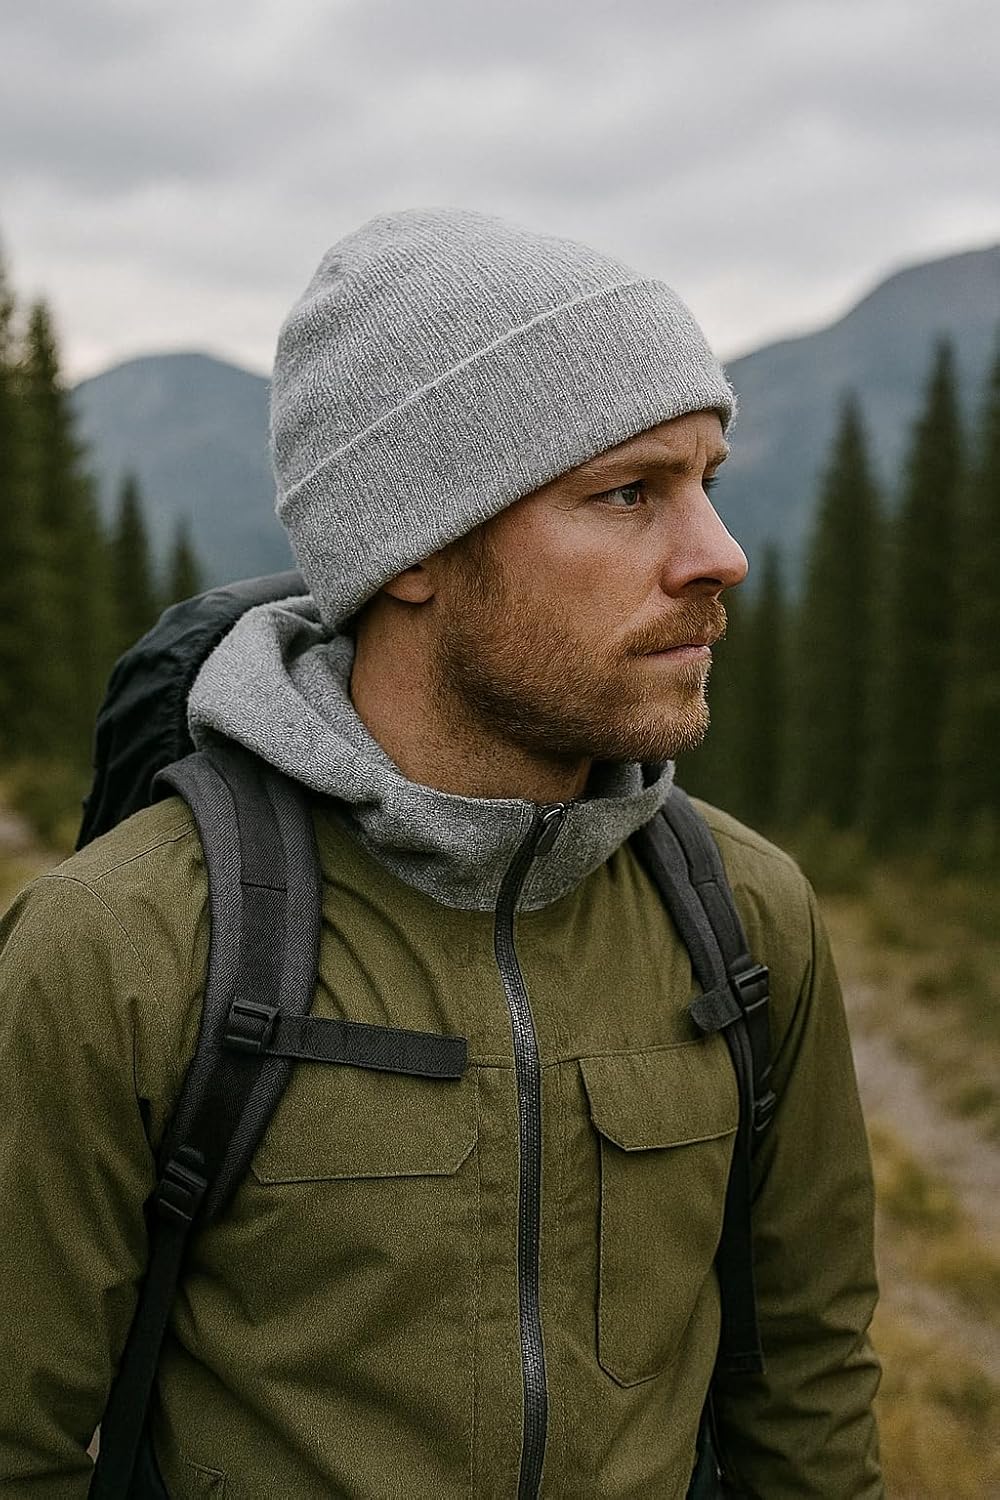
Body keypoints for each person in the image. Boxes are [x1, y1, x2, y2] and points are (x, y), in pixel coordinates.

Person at [0, 208, 883, 1498]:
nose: (720, 558)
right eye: (628, 492)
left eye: (710, 484)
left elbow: (805, 1386)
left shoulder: (742, 914)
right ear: (411, 547)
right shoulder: (125, 944)